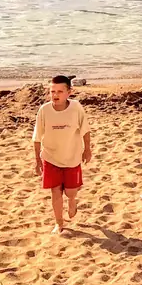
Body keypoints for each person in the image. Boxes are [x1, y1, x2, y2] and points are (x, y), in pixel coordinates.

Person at [33, 75, 92, 234]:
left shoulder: (76, 108)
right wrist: (37, 160)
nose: (55, 95)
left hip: (72, 157)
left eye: (59, 91)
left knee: (71, 192)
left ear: (69, 92)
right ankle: (59, 223)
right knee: (56, 191)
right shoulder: (44, 110)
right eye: (52, 91)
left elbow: (85, 130)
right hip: (50, 157)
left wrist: (87, 149)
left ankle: (72, 201)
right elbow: (37, 137)